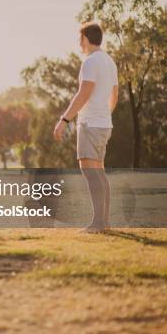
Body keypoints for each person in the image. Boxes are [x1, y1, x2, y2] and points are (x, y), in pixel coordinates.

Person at [53, 22, 118, 233]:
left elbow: (84, 93)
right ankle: (104, 222)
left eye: (80, 39)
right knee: (99, 172)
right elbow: (114, 96)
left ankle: (98, 223)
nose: (79, 43)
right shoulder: (109, 62)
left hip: (90, 124)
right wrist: (104, 115)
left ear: (86, 39)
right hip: (103, 124)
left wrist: (64, 120)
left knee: (90, 171)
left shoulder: (90, 62)